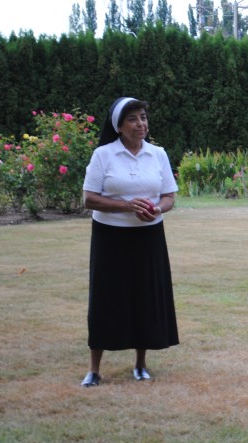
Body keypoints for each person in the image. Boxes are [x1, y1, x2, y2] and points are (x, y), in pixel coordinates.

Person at [80, 97, 179, 386]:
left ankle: (140, 364)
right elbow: (88, 198)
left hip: (148, 236)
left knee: (145, 296)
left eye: (144, 118)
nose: (141, 124)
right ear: (119, 126)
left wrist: (156, 209)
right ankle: (94, 369)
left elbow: (169, 196)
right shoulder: (103, 155)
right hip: (110, 237)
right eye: (133, 119)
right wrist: (128, 206)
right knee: (105, 298)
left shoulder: (157, 154)